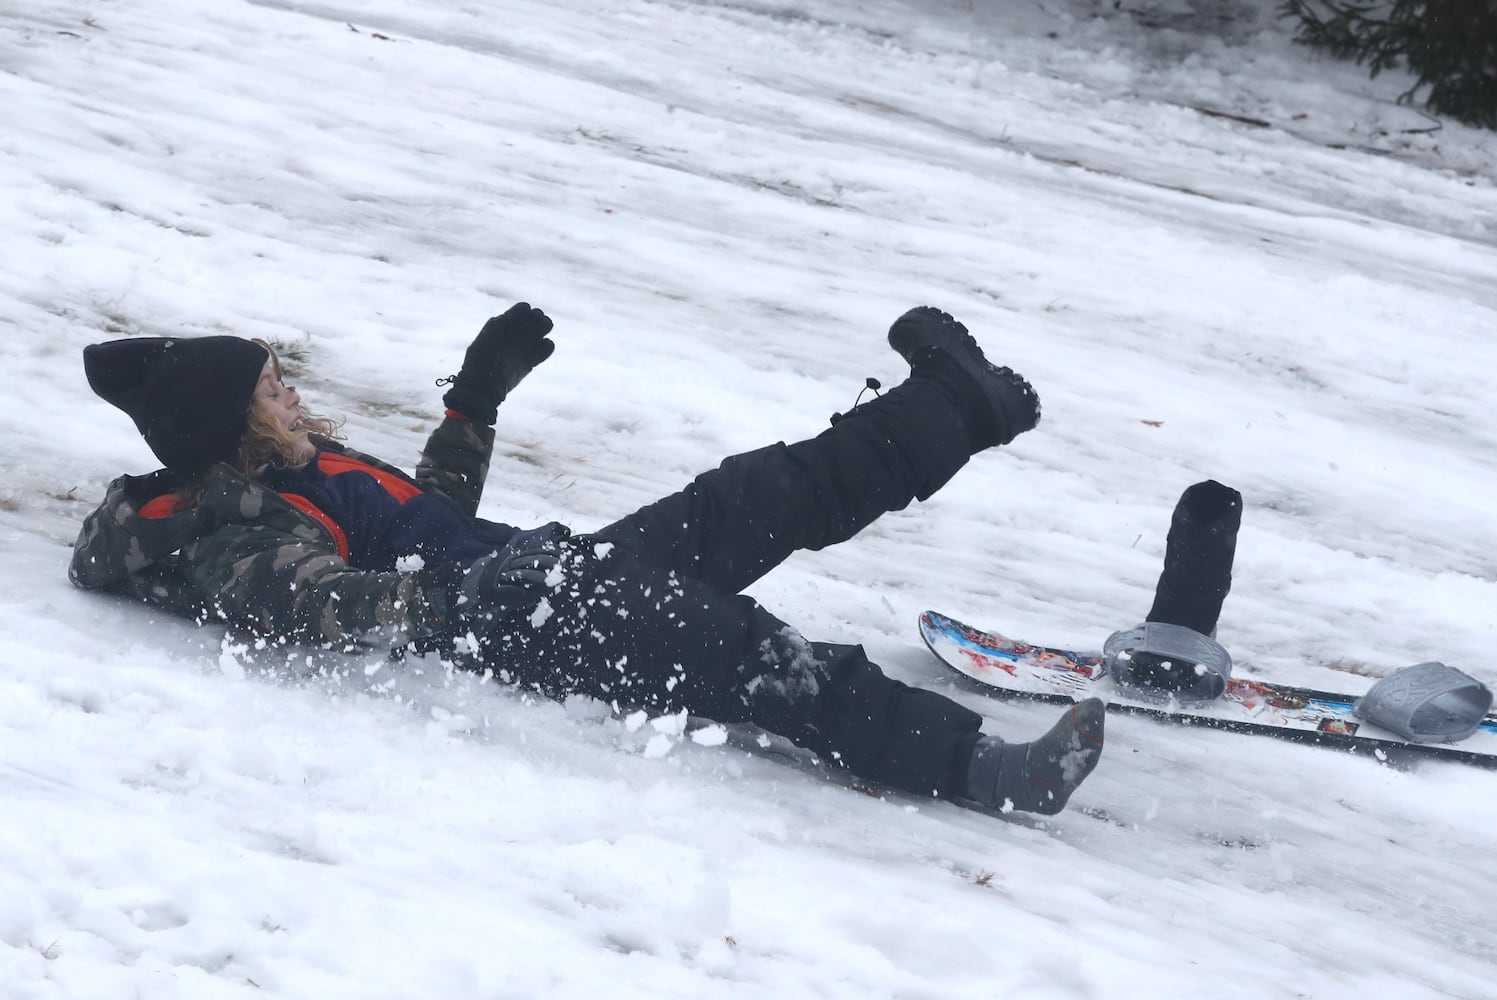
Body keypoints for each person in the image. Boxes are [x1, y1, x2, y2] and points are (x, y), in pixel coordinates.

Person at [70, 304, 1106, 815]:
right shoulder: (231, 523)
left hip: (537, 576)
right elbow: (323, 606)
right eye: (268, 384)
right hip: (515, 629)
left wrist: (473, 405)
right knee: (736, 648)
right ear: (227, 420)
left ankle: (959, 404)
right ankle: (987, 769)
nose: (290, 389)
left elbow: (425, 523)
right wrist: (464, 599)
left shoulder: (313, 463)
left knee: (749, 496)